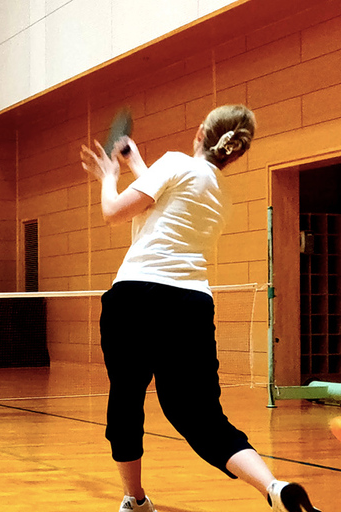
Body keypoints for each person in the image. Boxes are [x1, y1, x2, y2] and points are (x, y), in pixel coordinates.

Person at [80, 105, 321, 512]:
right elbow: (167, 199)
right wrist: (137, 162)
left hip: (135, 299)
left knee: (126, 401)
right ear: (235, 153)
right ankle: (274, 487)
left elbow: (114, 211)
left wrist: (109, 178)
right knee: (202, 417)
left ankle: (136, 500)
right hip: (190, 305)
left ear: (198, 133)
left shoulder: (175, 164)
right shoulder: (218, 192)